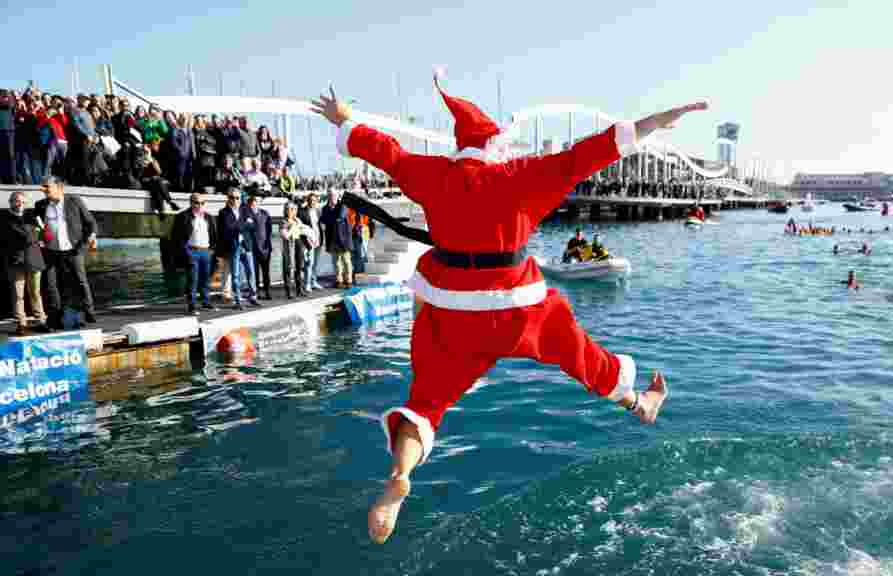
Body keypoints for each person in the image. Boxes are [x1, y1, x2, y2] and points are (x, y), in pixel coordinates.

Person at [312, 75, 689, 543]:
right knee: (580, 354)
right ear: (495, 146)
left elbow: (387, 152)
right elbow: (584, 155)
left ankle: (400, 476)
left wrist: (347, 121)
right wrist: (650, 123)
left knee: (427, 401)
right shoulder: (522, 175)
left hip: (452, 312)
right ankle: (638, 403)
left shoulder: (434, 174)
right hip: (518, 309)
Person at [34, 176, 98, 328]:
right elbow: (36, 225)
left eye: (47, 187)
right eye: (43, 187)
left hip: (73, 250)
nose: (44, 190)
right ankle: (55, 316)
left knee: (80, 282)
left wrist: (90, 237)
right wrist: (39, 234)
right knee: (50, 284)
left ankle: (88, 312)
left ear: (59, 187)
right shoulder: (41, 205)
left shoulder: (74, 201)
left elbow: (90, 223)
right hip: (51, 251)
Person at [1, 191, 47, 334]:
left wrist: (43, 232)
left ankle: (41, 321)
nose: (20, 204)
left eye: (23, 201)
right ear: (11, 202)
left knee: (35, 293)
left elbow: (45, 235)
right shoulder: (3, 218)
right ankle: (22, 324)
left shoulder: (32, 216)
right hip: (15, 261)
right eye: (17, 201)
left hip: (34, 260)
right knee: (18, 295)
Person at [170, 193, 218, 314]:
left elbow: (214, 235)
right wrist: (186, 252)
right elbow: (176, 237)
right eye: (197, 202)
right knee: (193, 280)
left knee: (205, 279)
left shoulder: (209, 217)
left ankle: (206, 302)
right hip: (192, 251)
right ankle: (192, 306)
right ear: (191, 203)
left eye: (202, 203)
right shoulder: (183, 216)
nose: (199, 205)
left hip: (206, 252)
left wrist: (211, 250)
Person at [243, 195, 273, 300]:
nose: (253, 206)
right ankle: (255, 292)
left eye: (255, 204)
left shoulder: (265, 214)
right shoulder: (245, 215)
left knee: (266, 272)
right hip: (252, 248)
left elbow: (269, 230)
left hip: (265, 248)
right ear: (249, 205)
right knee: (253, 272)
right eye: (251, 205)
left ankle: (267, 291)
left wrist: (268, 245)